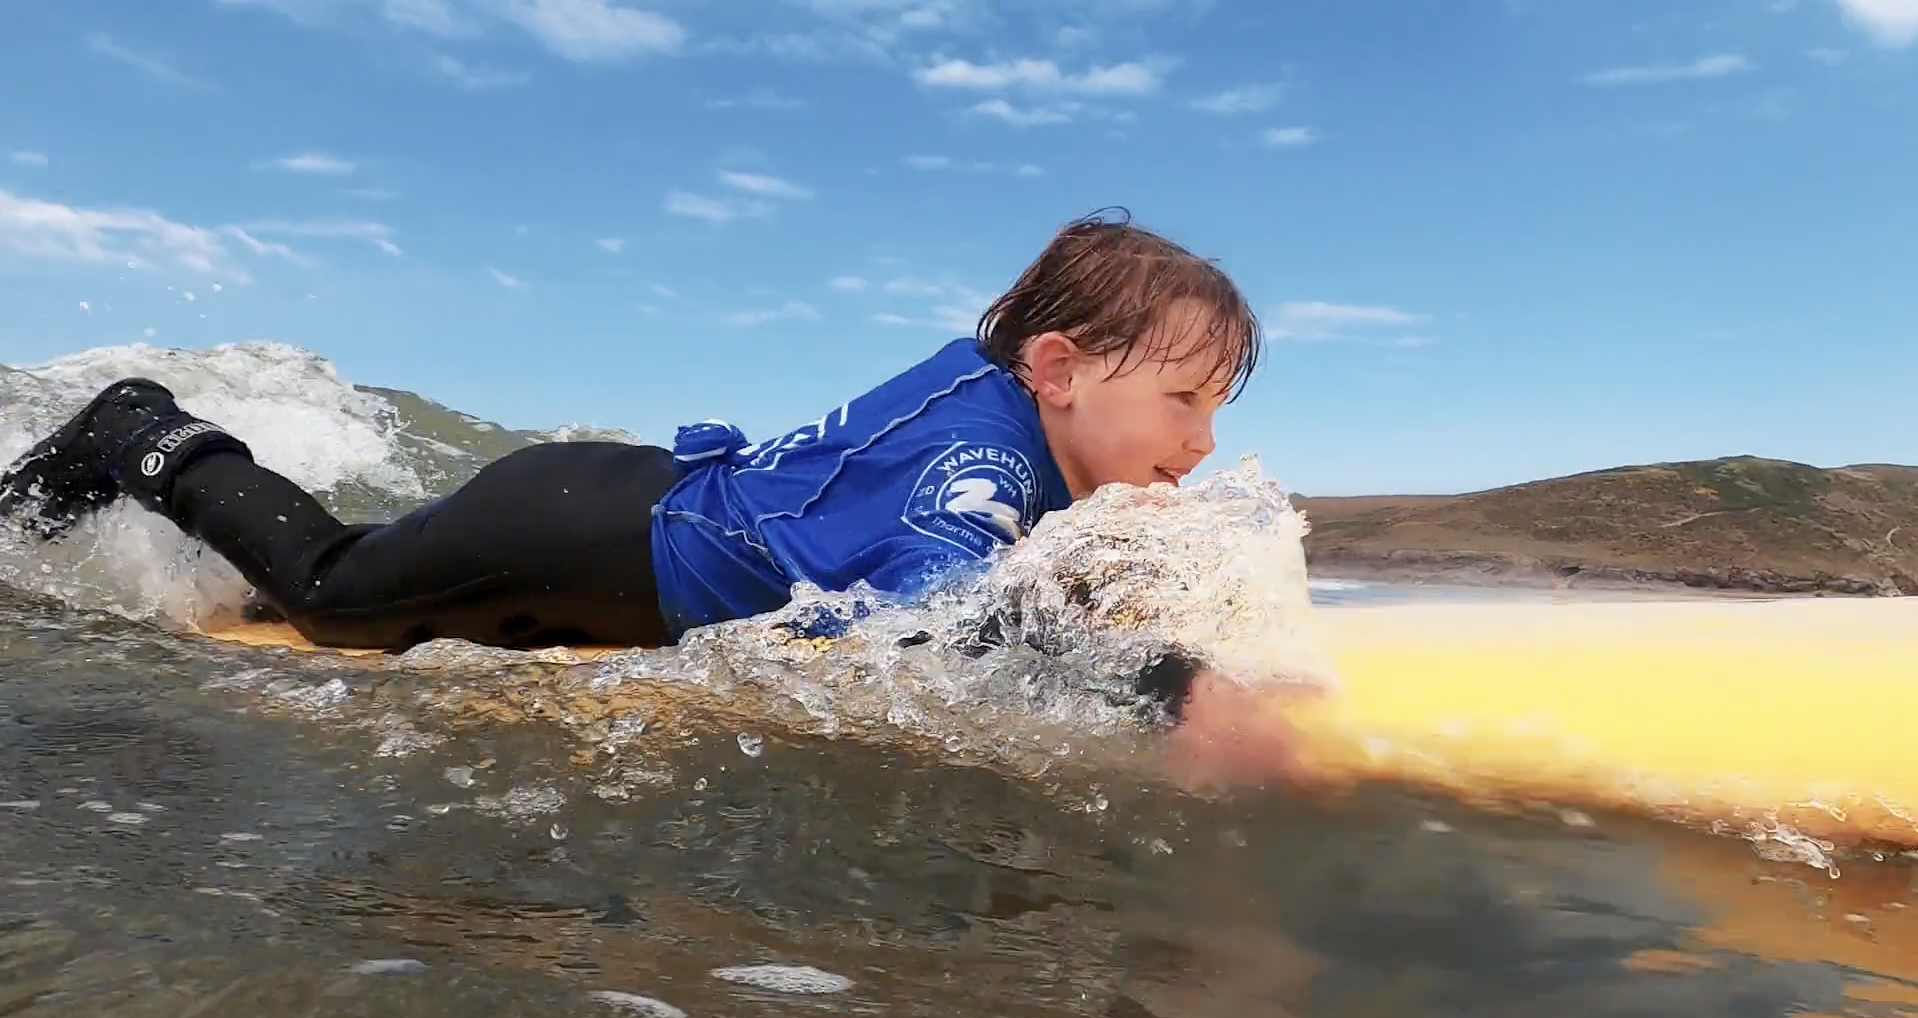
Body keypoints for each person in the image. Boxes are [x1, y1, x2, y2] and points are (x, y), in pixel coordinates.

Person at [0, 210, 1297, 773]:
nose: (1196, 440)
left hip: (617, 508)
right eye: (1182, 402)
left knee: (385, 589)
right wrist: (1161, 690)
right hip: (577, 535)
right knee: (341, 598)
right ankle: (144, 433)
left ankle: (197, 531)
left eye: (1213, 413)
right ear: (1056, 371)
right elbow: (943, 605)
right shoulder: (983, 462)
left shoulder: (1002, 394)